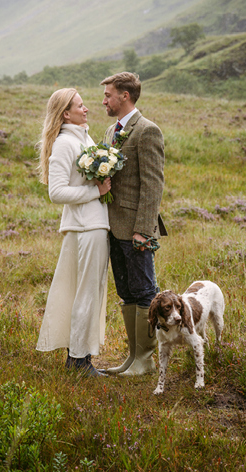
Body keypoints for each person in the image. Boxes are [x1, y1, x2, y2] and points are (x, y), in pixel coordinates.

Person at [35, 88, 111, 377]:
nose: (86, 109)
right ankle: (79, 361)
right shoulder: (66, 143)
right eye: (80, 106)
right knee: (86, 292)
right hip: (85, 226)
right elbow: (56, 192)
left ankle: (79, 357)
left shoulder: (83, 137)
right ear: (65, 113)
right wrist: (96, 191)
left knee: (89, 291)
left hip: (92, 223)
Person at [98, 72, 166, 376]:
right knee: (126, 291)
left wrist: (143, 228)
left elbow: (153, 184)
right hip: (112, 226)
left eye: (108, 95)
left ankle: (146, 360)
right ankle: (133, 356)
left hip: (136, 227)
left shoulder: (148, 131)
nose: (104, 101)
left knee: (144, 292)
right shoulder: (111, 130)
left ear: (125, 95)